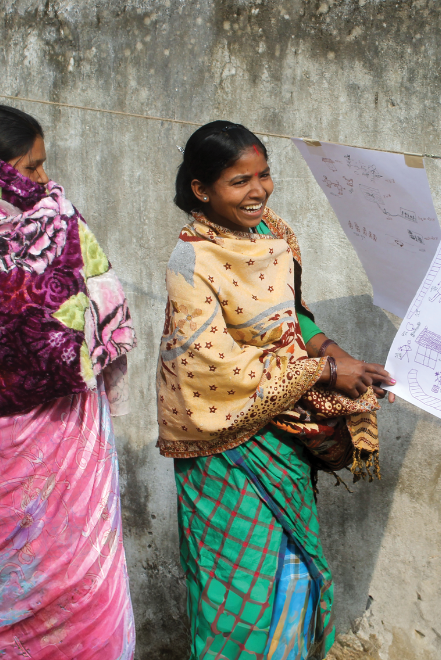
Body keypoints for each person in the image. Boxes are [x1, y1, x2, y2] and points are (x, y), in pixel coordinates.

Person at [157, 121, 395, 660]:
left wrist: (333, 353)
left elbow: (294, 321)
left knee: (291, 578)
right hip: (222, 449)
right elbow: (210, 367)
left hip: (281, 439)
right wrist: (325, 375)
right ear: (202, 190)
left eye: (264, 175)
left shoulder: (277, 236)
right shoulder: (190, 262)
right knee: (234, 594)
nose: (258, 190)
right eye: (240, 181)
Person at [0, 104, 137, 660]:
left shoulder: (59, 215)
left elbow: (102, 290)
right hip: (8, 438)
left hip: (72, 425)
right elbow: (8, 330)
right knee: (22, 578)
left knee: (87, 576)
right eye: (31, 168)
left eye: (44, 166)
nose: (43, 181)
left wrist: (82, 323)